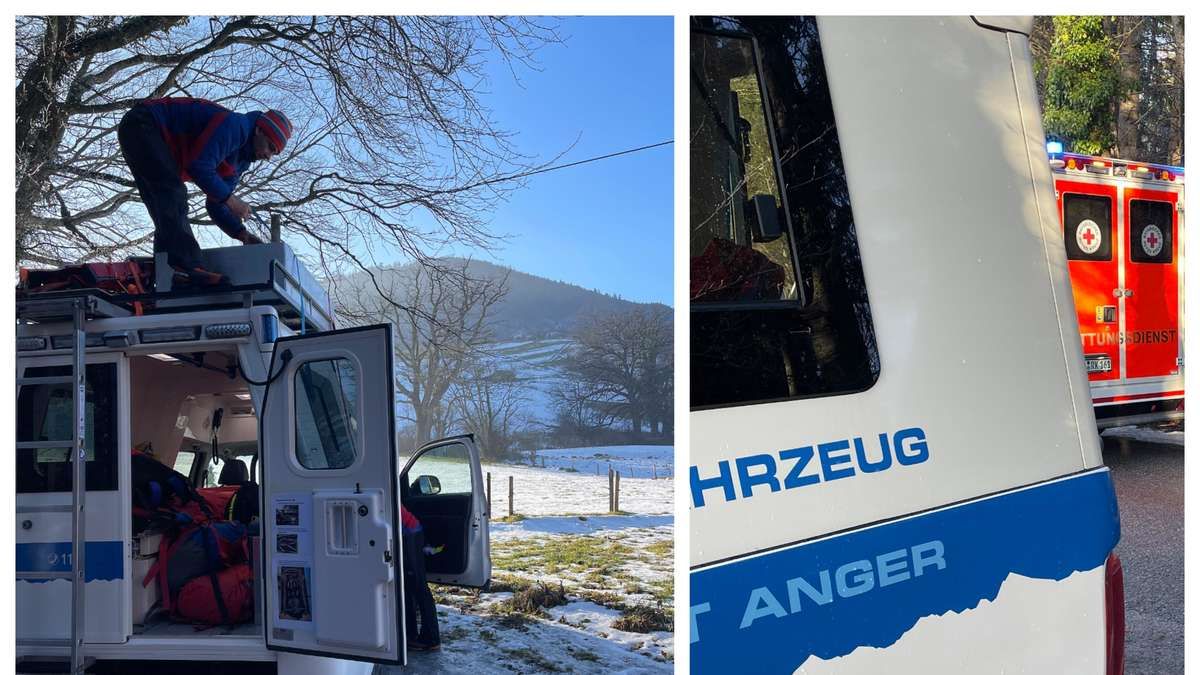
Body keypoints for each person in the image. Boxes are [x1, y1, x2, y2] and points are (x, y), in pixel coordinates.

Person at [117, 97, 292, 285]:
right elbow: (199, 166)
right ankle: (189, 268)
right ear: (259, 130)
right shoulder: (237, 126)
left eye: (274, 153)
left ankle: (166, 276)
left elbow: (215, 203)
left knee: (165, 207)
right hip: (145, 123)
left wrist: (242, 234)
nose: (268, 156)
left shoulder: (241, 162)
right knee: (172, 192)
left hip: (153, 138)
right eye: (270, 147)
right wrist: (232, 201)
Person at [401, 504, 440, 651]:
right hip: (410, 532)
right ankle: (410, 636)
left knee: (418, 587)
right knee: (408, 587)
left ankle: (431, 639)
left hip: (410, 534)